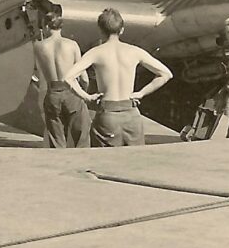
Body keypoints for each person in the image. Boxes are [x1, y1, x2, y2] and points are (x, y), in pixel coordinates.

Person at [63, 8, 172, 147]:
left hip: (108, 115)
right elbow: (166, 74)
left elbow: (68, 78)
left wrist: (86, 97)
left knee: (105, 163)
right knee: (135, 162)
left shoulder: (95, 53)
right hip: (132, 115)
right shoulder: (135, 51)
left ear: (101, 31)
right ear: (122, 30)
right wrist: (141, 93)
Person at [32, 12, 90, 148]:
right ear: (61, 27)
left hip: (52, 93)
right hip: (71, 92)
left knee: (56, 141)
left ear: (46, 27)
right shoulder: (72, 45)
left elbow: (38, 72)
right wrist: (82, 94)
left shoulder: (39, 46)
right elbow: (84, 78)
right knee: (81, 138)